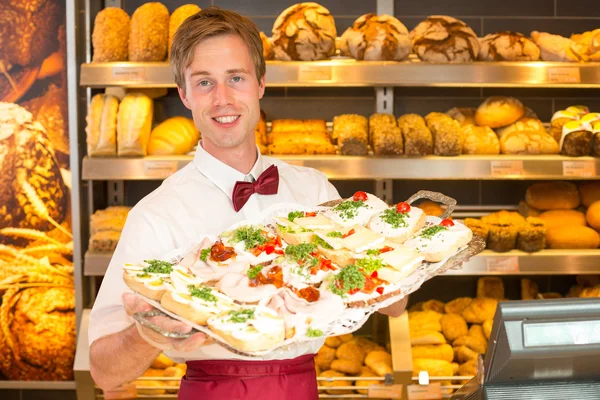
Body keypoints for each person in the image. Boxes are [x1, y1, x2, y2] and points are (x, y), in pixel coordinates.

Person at [88, 7, 407, 400]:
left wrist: (397, 256)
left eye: (235, 78)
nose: (223, 99)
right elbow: (103, 371)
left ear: (260, 84)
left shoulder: (315, 191)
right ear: (184, 94)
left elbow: (395, 304)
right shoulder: (156, 214)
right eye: (205, 83)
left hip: (303, 389)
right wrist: (150, 331)